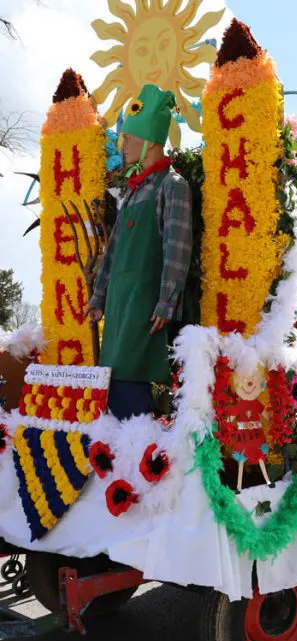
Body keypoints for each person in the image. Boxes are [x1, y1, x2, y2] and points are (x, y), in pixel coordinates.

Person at [88, 84, 192, 420]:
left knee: (133, 392)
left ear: (150, 142)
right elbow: (113, 252)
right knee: (112, 387)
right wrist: (99, 297)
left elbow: (177, 250)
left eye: (129, 138)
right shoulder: (133, 191)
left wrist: (166, 303)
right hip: (119, 309)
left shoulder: (172, 186)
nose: (124, 145)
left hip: (145, 310)